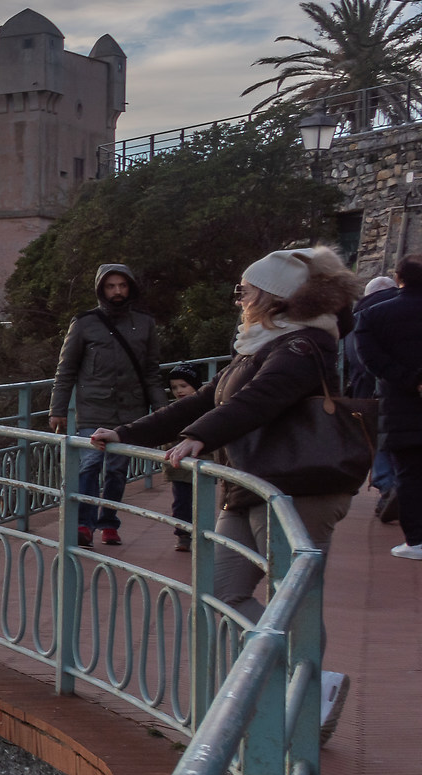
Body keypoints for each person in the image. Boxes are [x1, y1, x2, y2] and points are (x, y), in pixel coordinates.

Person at [96, 246, 364, 731]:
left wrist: (202, 436)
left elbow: (264, 398)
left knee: (293, 598)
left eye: (245, 290)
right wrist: (128, 434)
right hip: (248, 484)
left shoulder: (303, 346)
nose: (239, 298)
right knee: (221, 591)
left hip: (296, 488)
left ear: (272, 295)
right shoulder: (262, 344)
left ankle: (309, 692)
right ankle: (297, 682)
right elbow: (202, 399)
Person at [48, 263, 161, 547]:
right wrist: (57, 409)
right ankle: (84, 524)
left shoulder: (145, 323)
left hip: (130, 409)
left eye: (122, 286)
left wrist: (163, 412)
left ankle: (109, 523)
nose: (117, 292)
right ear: (101, 289)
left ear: (130, 287)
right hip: (93, 409)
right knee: (90, 464)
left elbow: (151, 373)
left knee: (116, 469)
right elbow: (66, 370)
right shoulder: (85, 323)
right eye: (111, 286)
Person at [352, 255, 422, 561]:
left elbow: (371, 361)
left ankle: (417, 541)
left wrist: (412, 381)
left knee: (409, 474)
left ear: (400, 278)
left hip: (400, 405)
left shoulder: (372, 316)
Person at [352, 273, 403, 524]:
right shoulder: (408, 308)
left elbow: (353, 357)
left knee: (378, 439)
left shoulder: (362, 315)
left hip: (371, 390)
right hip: (407, 387)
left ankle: (387, 485)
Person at [160, 368, 203, 551]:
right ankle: (183, 535)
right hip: (179, 466)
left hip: (201, 464)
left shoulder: (206, 409)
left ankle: (200, 533)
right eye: (174, 387)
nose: (179, 391)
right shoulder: (172, 410)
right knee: (182, 501)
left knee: (200, 501)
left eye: (184, 386)